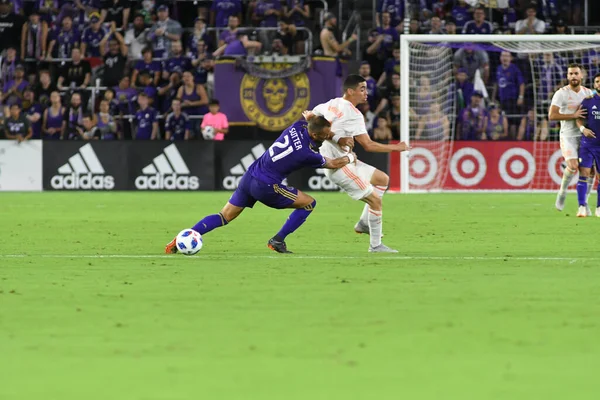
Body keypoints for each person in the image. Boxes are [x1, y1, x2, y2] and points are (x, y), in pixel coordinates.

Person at [164, 117, 358, 254]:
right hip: (267, 186)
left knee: (224, 216)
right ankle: (278, 239)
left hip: (249, 177)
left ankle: (184, 237)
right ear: (315, 134)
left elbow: (311, 118)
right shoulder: (306, 153)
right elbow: (332, 163)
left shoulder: (297, 126)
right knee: (308, 203)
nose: (327, 137)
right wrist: (349, 156)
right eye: (324, 135)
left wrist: (335, 137)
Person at [305, 75, 410, 253]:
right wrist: (396, 148)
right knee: (375, 201)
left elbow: (312, 118)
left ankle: (364, 223)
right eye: (362, 88)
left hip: (346, 159)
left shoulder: (332, 103)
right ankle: (375, 246)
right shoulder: (354, 115)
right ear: (350, 91)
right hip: (340, 167)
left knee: (382, 179)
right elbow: (368, 146)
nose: (366, 92)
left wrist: (332, 134)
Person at [549, 63, 593, 213]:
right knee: (573, 166)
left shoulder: (588, 94)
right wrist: (572, 116)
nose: (573, 76)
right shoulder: (561, 93)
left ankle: (584, 203)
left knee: (589, 171)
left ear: (581, 76)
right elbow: (552, 115)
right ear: (567, 76)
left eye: (576, 73)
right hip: (568, 135)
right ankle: (562, 192)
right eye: (571, 74)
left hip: (584, 135)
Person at [576, 72, 600, 217]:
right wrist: (583, 129)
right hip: (588, 144)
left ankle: (599, 208)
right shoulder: (588, 101)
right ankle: (581, 206)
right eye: (597, 81)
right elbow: (578, 118)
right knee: (583, 174)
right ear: (594, 84)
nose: (599, 84)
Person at [491, 51, 524, 138]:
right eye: (503, 56)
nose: (504, 58)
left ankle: (513, 141)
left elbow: (521, 84)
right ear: (500, 58)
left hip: (512, 99)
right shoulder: (498, 69)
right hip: (502, 100)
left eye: (507, 56)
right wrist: (493, 98)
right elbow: (496, 84)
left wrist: (521, 97)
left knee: (512, 122)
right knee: (503, 120)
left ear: (510, 58)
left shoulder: (514, 69)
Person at [176, 70, 208, 136]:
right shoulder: (181, 89)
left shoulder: (199, 87)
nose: (186, 78)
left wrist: (191, 103)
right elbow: (177, 102)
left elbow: (205, 101)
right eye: (184, 76)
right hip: (188, 116)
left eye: (188, 76)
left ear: (192, 77)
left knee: (198, 130)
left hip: (199, 115)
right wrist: (182, 105)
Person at [100, 22, 128, 87]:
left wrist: (114, 31)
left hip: (118, 83)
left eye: (115, 45)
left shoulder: (122, 55)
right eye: (111, 45)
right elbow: (101, 44)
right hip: (106, 82)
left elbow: (122, 42)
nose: (113, 47)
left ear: (118, 46)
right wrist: (109, 33)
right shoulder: (106, 55)